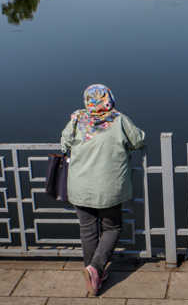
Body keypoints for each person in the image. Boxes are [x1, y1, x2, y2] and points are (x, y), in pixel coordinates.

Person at [61, 84, 145, 296]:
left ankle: (94, 274)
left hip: (79, 186)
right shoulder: (118, 120)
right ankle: (96, 269)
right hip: (108, 188)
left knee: (88, 230)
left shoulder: (77, 119)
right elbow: (138, 140)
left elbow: (64, 144)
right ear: (109, 99)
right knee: (112, 227)